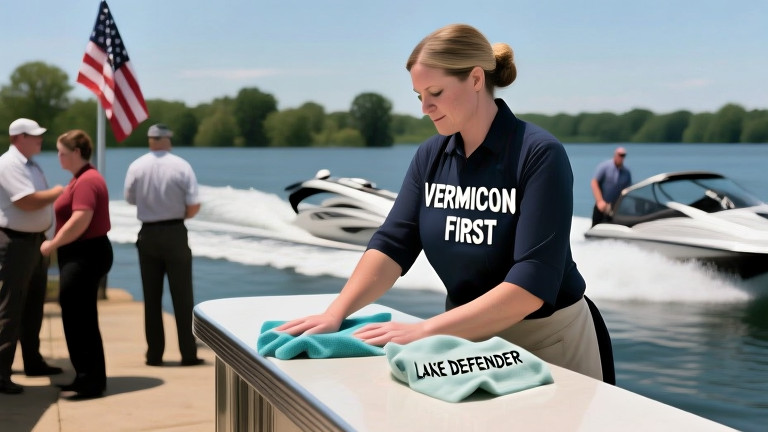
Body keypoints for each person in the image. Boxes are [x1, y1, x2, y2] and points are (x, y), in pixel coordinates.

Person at [277, 24, 615, 384]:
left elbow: (533, 283)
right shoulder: (431, 155)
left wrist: (426, 331)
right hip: (460, 345)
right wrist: (336, 312)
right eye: (418, 95)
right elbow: (393, 244)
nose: (425, 107)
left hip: (549, 343)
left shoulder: (538, 154)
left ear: (474, 79)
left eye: (435, 92)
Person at [40, 130, 112, 398]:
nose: (58, 157)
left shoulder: (86, 181)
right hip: (84, 253)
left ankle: (90, 381)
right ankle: (86, 376)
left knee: (80, 318)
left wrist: (53, 244)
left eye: (62, 152)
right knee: (79, 317)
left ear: (77, 153)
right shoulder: (82, 178)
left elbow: (81, 218)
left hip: (85, 254)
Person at [124, 123, 203, 367]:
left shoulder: (137, 165)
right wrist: (181, 215)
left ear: (150, 140)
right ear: (167, 139)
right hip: (175, 232)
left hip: (147, 233)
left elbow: (129, 198)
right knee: (183, 296)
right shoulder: (181, 165)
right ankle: (188, 353)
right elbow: (194, 203)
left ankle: (154, 354)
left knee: (151, 297)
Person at [0, 118, 64, 395]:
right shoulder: (9, 164)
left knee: (34, 306)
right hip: (16, 243)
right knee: (11, 308)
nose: (39, 139)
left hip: (34, 242)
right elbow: (25, 201)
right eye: (33, 135)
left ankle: (32, 361)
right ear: (18, 138)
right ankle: (1, 372)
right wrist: (59, 192)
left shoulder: (30, 164)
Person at [590, 147, 631, 226]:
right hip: (602, 204)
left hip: (616, 207)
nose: (621, 157)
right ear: (615, 155)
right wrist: (599, 201)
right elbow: (594, 183)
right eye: (620, 155)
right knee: (595, 227)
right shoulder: (604, 167)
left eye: (623, 155)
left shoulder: (626, 172)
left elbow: (628, 190)